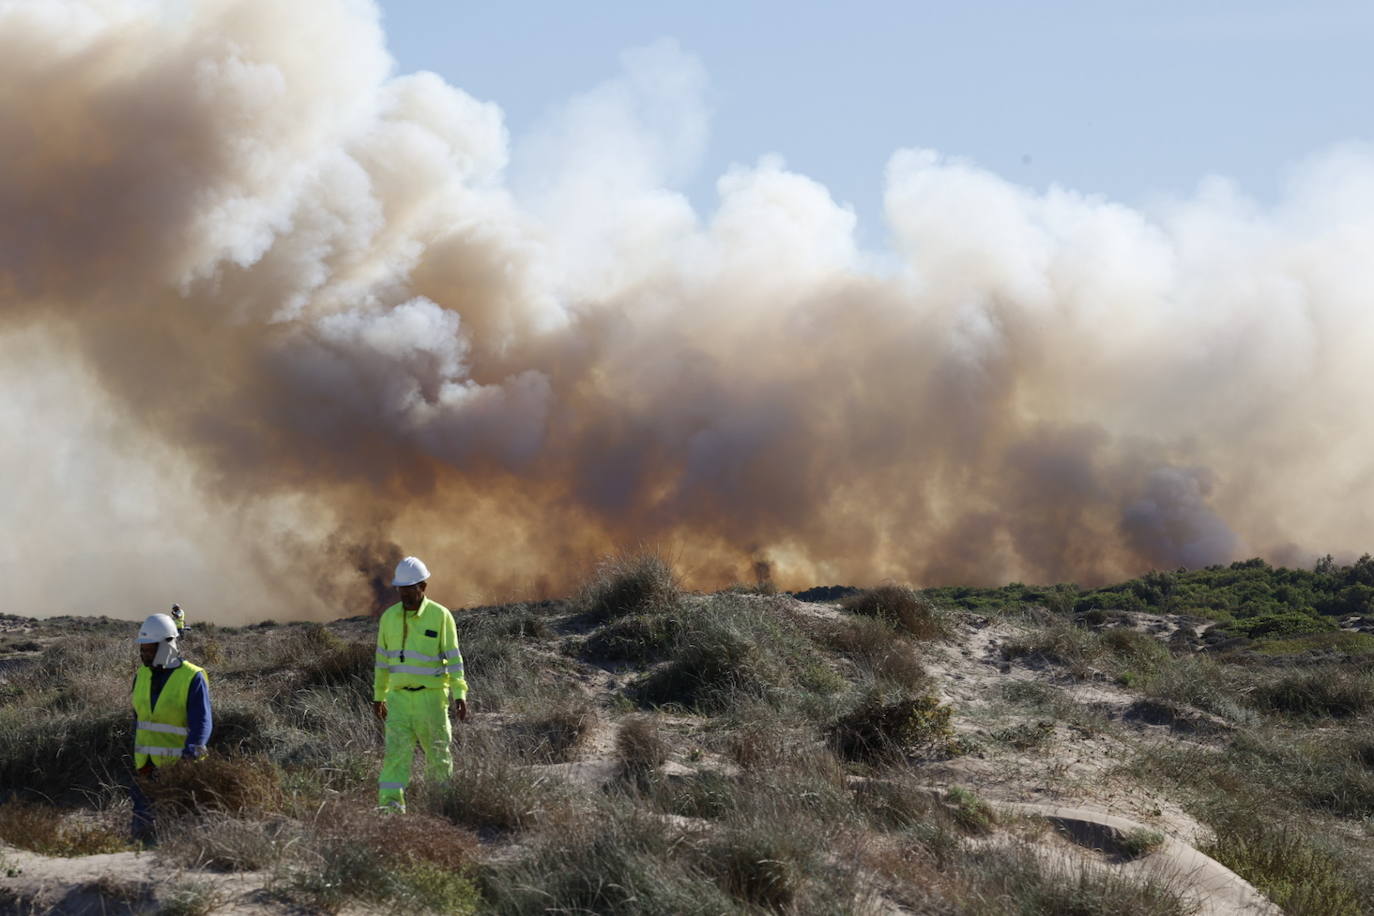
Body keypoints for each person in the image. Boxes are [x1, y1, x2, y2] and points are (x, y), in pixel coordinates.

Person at [372, 556, 468, 812]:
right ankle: (390, 809)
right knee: (395, 758)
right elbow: (382, 662)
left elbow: (454, 658)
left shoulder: (440, 616)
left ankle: (441, 808)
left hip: (432, 700)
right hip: (399, 700)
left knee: (438, 757)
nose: (404, 594)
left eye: (409, 588)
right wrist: (378, 696)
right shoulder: (389, 618)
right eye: (400, 589)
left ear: (422, 587)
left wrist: (459, 694)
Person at [129, 613, 212, 843]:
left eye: (149, 648)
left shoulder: (192, 677)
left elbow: (202, 724)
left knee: (178, 830)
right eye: (142, 647)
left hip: (178, 769)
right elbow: (139, 717)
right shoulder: (142, 675)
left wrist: (189, 761)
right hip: (145, 768)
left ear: (166, 646)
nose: (143, 653)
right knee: (143, 830)